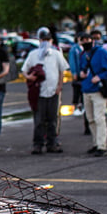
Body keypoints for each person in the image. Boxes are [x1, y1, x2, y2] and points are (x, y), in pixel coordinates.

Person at [23, 26, 69, 154]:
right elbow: (24, 70)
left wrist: (60, 86)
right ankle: (37, 143)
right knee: (39, 120)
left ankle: (52, 143)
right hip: (39, 92)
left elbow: (62, 70)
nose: (45, 43)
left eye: (47, 40)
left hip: (53, 91)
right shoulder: (33, 55)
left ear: (51, 41)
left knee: (52, 119)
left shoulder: (56, 54)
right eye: (43, 40)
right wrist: (29, 77)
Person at [78, 32, 107, 156]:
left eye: (87, 39)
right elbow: (82, 69)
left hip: (98, 90)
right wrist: (82, 74)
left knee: (99, 118)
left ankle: (101, 145)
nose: (85, 42)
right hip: (86, 89)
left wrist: (100, 77)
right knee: (90, 119)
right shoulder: (83, 54)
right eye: (82, 40)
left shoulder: (100, 52)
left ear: (92, 40)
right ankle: (95, 143)